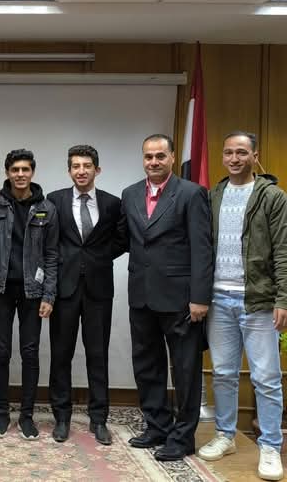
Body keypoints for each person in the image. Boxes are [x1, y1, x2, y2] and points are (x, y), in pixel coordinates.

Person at [197, 132, 286, 481]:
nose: (234, 158)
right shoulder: (214, 195)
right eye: (229, 152)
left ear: (254, 155)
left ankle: (270, 447)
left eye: (241, 152)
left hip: (258, 301)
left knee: (266, 378)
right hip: (219, 300)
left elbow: (283, 250)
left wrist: (283, 299)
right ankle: (225, 435)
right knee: (223, 373)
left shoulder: (272, 196)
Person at [119, 133, 213, 461]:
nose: (154, 162)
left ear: (172, 157)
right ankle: (157, 426)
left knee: (185, 370)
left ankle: (183, 437)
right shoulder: (130, 194)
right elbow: (125, 239)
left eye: (160, 156)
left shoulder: (191, 193)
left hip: (181, 299)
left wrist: (200, 297)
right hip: (141, 295)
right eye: (149, 156)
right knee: (147, 365)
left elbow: (202, 249)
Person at [46, 145, 124, 446]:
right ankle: (61, 417)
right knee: (60, 354)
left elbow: (122, 239)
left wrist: (98, 257)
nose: (81, 171)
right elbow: (49, 240)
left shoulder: (113, 204)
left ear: (97, 170)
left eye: (87, 166)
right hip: (64, 289)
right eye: (76, 166)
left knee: (97, 355)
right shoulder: (54, 200)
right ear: (69, 171)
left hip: (98, 289)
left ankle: (99, 418)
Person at [0, 149, 58, 440]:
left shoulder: (47, 208)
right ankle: (2, 413)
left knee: (30, 353)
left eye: (25, 169)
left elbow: (52, 255)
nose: (20, 174)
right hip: (1, 289)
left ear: (32, 172)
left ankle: (27, 416)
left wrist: (49, 295)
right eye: (15, 169)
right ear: (7, 173)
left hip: (33, 291)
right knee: (1, 352)